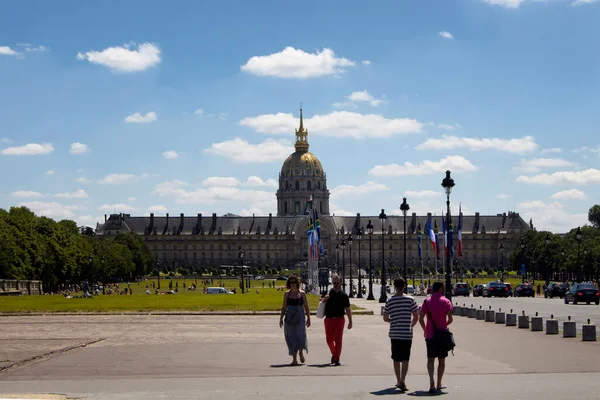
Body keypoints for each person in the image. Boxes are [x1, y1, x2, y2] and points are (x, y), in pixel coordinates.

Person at [383, 278, 419, 391]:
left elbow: (385, 318)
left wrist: (393, 321)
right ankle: (403, 379)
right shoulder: (410, 299)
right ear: (404, 286)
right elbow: (416, 316)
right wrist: (410, 325)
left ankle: (398, 380)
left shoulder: (390, 300)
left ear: (394, 286)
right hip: (406, 333)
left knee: (396, 358)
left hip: (394, 333)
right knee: (405, 358)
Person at [419, 281, 453, 394]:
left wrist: (425, 329)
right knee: (441, 360)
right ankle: (439, 383)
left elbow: (420, 319)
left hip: (430, 335)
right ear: (441, 288)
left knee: (430, 360)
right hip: (442, 335)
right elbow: (451, 319)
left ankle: (431, 383)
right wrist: (444, 325)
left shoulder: (426, 302)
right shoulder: (446, 301)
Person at [279, 275, 310, 365]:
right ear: (289, 284)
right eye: (291, 282)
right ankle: (294, 358)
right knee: (290, 336)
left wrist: (308, 318)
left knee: (300, 335)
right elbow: (284, 307)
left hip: (300, 316)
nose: (293, 284)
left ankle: (300, 352)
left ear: (298, 283)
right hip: (289, 317)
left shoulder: (302, 294)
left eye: (294, 282)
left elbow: (306, 307)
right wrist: (281, 318)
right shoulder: (286, 294)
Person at [322, 274, 353, 365]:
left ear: (340, 283)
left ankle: (337, 358)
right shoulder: (329, 293)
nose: (335, 285)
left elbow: (347, 309)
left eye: (337, 283)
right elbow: (321, 302)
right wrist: (324, 299)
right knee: (329, 340)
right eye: (334, 283)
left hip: (339, 319)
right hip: (329, 319)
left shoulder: (344, 295)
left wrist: (350, 321)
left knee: (338, 340)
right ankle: (334, 353)